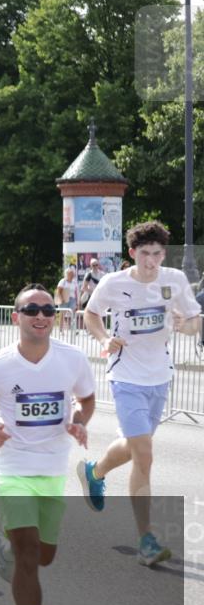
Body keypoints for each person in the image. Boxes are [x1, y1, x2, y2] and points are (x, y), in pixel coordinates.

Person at [0, 283, 95, 605]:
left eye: (48, 310)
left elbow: (86, 398)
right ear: (15, 316)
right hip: (12, 467)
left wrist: (80, 420)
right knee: (29, 550)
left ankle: (5, 550)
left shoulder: (72, 358)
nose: (41, 316)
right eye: (32, 310)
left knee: (42, 557)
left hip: (53, 468)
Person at [77, 221, 202, 565]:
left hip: (160, 377)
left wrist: (183, 324)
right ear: (132, 253)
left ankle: (95, 471)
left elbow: (195, 322)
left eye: (157, 254)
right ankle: (146, 539)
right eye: (145, 254)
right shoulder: (113, 283)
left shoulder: (174, 279)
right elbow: (90, 314)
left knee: (135, 449)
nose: (151, 261)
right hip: (126, 376)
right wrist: (104, 340)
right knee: (144, 453)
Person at [54, 267, 79, 334]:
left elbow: (76, 292)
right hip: (64, 298)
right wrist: (61, 299)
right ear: (66, 274)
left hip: (72, 299)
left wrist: (77, 301)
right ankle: (61, 330)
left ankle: (74, 329)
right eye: (70, 274)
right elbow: (58, 291)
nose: (72, 275)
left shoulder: (74, 282)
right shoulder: (63, 281)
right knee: (62, 314)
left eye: (72, 274)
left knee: (73, 314)